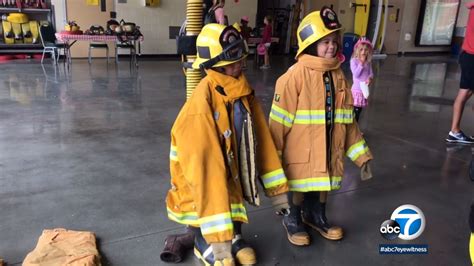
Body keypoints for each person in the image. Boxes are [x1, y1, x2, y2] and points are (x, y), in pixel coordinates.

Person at [166, 23, 290, 266]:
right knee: (216, 195)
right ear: (213, 65)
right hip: (200, 188)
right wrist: (218, 244)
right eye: (232, 62)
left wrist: (278, 193)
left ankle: (233, 237)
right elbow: (206, 176)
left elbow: (261, 141)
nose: (239, 66)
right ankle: (208, 244)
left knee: (230, 197)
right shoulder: (200, 107)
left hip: (228, 176)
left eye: (240, 59)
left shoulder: (241, 92)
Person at [268, 7, 373, 246]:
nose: (332, 46)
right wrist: (272, 161)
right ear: (309, 44)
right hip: (300, 154)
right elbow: (277, 124)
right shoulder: (292, 77)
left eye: (334, 40)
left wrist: (361, 155)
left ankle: (317, 216)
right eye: (325, 41)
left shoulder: (338, 77)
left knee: (323, 183)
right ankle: (293, 219)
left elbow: (348, 122)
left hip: (329, 150)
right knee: (300, 186)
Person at [446, 1, 474, 144]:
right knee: (465, 93)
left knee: (466, 92)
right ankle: (454, 131)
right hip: (472, 56)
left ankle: (454, 131)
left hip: (467, 55)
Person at [350, 37, 374, 122]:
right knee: (354, 112)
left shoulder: (368, 62)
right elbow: (356, 74)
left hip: (364, 90)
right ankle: (353, 130)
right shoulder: (354, 61)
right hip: (356, 91)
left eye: (365, 50)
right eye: (361, 50)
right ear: (357, 50)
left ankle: (355, 129)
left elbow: (371, 73)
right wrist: (361, 63)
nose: (363, 52)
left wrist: (370, 78)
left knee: (359, 112)